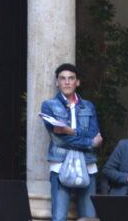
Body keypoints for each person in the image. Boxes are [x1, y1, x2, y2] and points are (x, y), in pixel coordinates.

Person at [40, 63, 102, 221]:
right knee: (59, 217)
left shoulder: (88, 106)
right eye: (63, 79)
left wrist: (71, 131)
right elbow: (59, 140)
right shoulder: (49, 106)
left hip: (88, 166)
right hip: (60, 165)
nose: (67, 82)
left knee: (88, 217)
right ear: (57, 83)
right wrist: (89, 143)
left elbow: (95, 134)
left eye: (71, 78)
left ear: (77, 82)